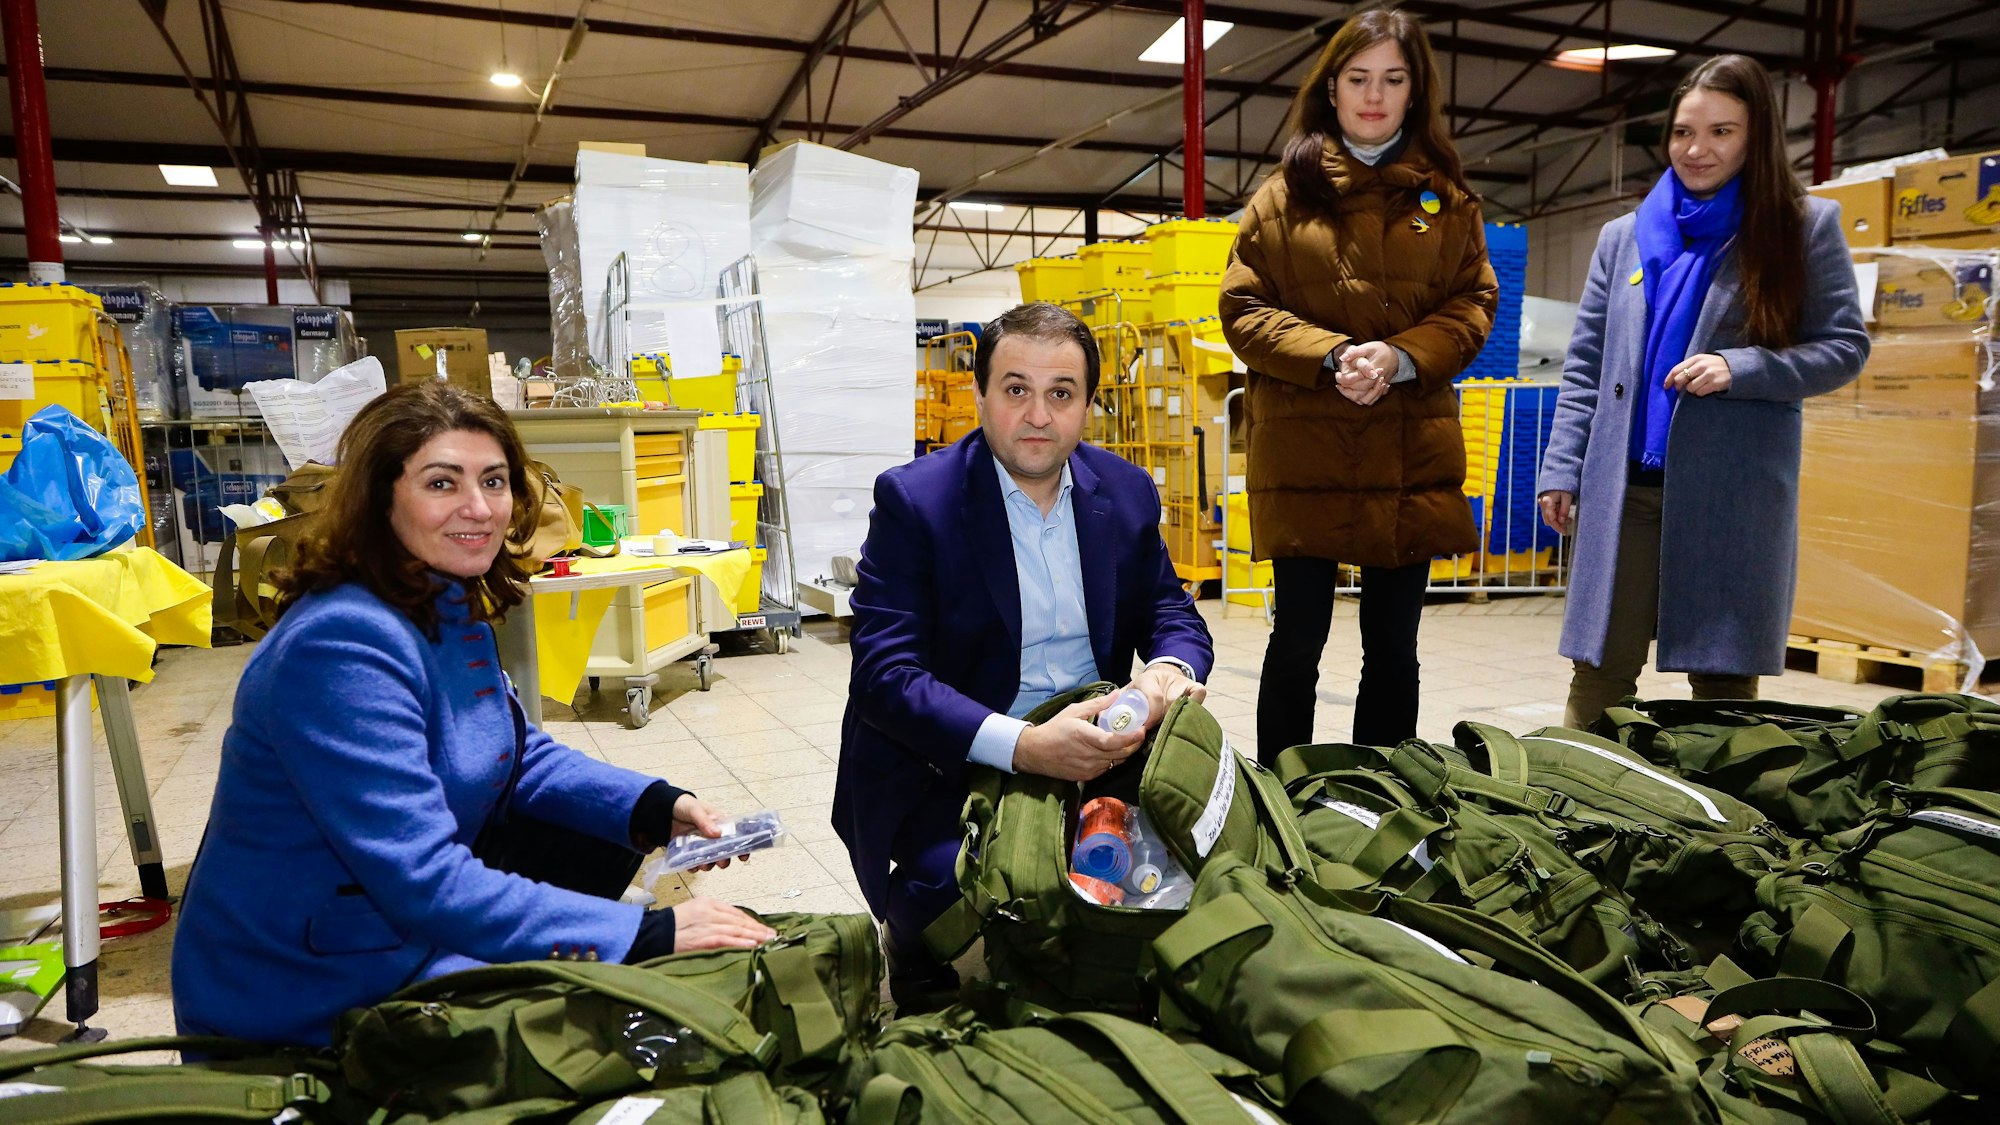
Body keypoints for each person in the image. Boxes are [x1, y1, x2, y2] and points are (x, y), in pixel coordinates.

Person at [172, 382, 775, 1048]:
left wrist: (656, 806)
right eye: (441, 482)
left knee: (600, 845)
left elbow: (513, 754)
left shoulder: (443, 605)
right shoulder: (340, 645)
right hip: (309, 984)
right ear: (379, 499)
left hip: (390, 931)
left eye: (494, 480)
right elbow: (426, 878)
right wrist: (643, 934)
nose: (479, 507)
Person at [833, 302, 1214, 1012]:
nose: (1037, 415)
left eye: (1060, 394)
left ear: (1089, 407)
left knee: (1193, 859)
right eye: (1016, 389)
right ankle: (911, 941)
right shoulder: (916, 502)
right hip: (961, 753)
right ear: (980, 395)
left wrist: (1168, 674)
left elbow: (1172, 612)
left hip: (1102, 739)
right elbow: (886, 675)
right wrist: (1027, 747)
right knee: (943, 885)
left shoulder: (1124, 493)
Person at [1538, 55, 1868, 730]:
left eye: (1721, 132)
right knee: (1599, 669)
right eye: (1685, 131)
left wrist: (1741, 367)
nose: (1697, 149)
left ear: (1755, 138)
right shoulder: (1622, 239)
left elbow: (1844, 347)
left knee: (1722, 682)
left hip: (1731, 489)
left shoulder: (1804, 227)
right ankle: (1575, 809)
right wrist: (1562, 467)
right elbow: (1587, 367)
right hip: (1624, 489)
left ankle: (1718, 821)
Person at [1218, 6, 1496, 763]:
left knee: (1393, 647)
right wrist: (1336, 354)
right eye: (1358, 78)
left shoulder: (1450, 201)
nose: (1374, 96)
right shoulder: (1281, 198)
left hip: (1407, 454)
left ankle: (1384, 797)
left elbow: (1473, 304)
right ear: (1331, 89)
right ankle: (1282, 790)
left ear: (1416, 93)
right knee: (1297, 637)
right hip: (1306, 451)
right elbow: (1241, 306)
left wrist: (1400, 358)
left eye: (1393, 79)